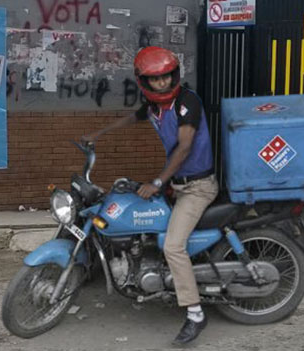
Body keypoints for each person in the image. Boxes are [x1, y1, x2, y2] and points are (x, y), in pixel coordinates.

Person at [82, 46, 217, 345]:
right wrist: (98, 135)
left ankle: (196, 314)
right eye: (155, 79)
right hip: (177, 185)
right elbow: (131, 119)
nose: (162, 84)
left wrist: (157, 181)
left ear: (174, 75)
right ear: (145, 81)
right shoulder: (155, 107)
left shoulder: (187, 102)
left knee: (173, 246)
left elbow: (184, 148)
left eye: (166, 77)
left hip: (197, 187)